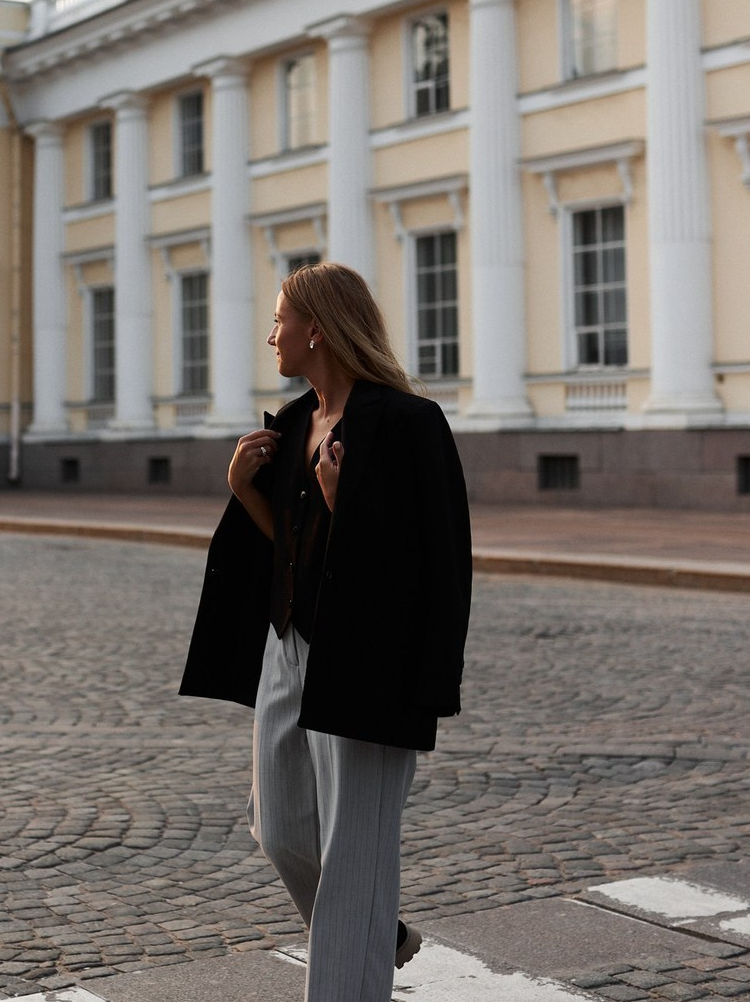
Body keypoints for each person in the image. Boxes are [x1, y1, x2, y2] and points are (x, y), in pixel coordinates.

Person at [180, 262, 472, 1002]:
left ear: (318, 328)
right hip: (289, 646)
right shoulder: (290, 424)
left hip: (369, 660)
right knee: (278, 827)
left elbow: (430, 560)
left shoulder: (408, 424)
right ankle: (383, 931)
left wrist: (349, 505)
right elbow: (294, 547)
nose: (271, 334)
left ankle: (360, 953)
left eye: (280, 319)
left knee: (352, 860)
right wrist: (244, 492)